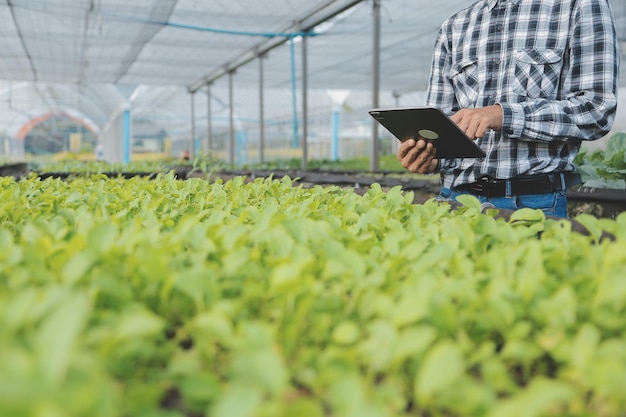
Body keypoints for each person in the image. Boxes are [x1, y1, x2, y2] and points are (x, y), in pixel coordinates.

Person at [397, 0, 619, 217]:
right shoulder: (454, 26)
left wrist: (503, 115)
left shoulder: (577, 6)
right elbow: (443, 126)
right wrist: (430, 157)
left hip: (532, 204)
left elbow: (596, 109)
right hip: (456, 201)